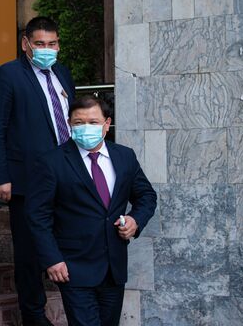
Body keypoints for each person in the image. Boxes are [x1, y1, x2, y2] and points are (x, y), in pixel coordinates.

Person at [25, 95, 157, 326]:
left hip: (113, 267)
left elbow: (146, 196)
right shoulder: (52, 162)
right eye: (79, 122)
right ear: (69, 124)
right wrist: (52, 259)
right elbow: (37, 215)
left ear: (107, 124)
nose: (86, 128)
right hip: (72, 267)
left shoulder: (124, 156)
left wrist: (135, 221)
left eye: (93, 122)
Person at [0, 16, 75, 325]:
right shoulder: (7, 75)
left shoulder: (62, 73)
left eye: (52, 43)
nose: (47, 49)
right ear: (25, 44)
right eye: (40, 44)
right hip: (26, 179)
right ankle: (33, 316)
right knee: (29, 250)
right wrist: (1, 177)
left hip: (65, 174)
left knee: (67, 241)